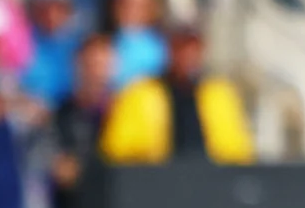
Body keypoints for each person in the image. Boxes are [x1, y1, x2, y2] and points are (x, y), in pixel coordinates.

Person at [99, 22, 255, 162]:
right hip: (157, 184)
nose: (187, 56)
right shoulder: (140, 93)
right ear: (169, 50)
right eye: (180, 48)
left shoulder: (220, 95)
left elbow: (240, 152)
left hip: (210, 184)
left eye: (193, 49)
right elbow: (115, 150)